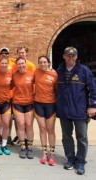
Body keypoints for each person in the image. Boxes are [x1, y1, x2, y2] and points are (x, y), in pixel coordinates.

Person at [56, 47, 96, 175]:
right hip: (64, 110)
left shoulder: (84, 70)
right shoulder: (59, 71)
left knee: (82, 138)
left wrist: (92, 106)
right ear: (64, 56)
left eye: (73, 56)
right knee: (66, 137)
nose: (71, 58)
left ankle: (80, 162)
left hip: (80, 111)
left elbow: (93, 90)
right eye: (68, 55)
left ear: (76, 57)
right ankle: (70, 159)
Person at [34, 55, 58, 165]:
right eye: (40, 62)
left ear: (48, 63)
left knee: (50, 129)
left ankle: (52, 154)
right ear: (38, 63)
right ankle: (44, 153)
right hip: (38, 104)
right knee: (42, 128)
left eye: (45, 62)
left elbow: (57, 90)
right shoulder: (36, 72)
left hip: (50, 105)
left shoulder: (54, 74)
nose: (43, 64)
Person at [12, 57, 35, 159]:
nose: (21, 65)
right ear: (16, 65)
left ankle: (29, 148)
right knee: (21, 125)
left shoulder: (32, 74)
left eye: (22, 63)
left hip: (30, 103)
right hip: (17, 102)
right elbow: (8, 86)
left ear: (26, 63)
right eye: (19, 64)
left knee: (29, 125)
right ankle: (22, 148)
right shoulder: (14, 75)